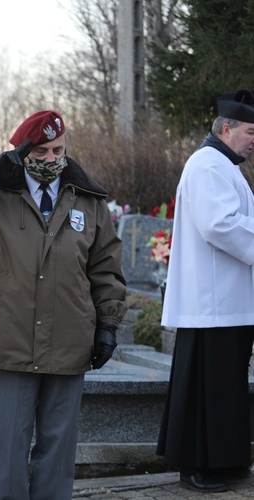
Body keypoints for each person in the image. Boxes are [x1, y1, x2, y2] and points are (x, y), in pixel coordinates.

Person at [0, 110, 128, 500]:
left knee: (58, 449)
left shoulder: (87, 200)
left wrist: (108, 323)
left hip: (70, 337)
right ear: (22, 153)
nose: (52, 159)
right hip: (11, 340)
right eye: (41, 152)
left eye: (58, 150)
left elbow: (105, 268)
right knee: (9, 449)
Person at [157, 89, 254, 493]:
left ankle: (225, 461)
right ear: (227, 128)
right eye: (251, 131)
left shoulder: (222, 164)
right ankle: (198, 466)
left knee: (226, 386)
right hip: (212, 303)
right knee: (208, 388)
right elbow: (220, 225)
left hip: (228, 301)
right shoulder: (208, 165)